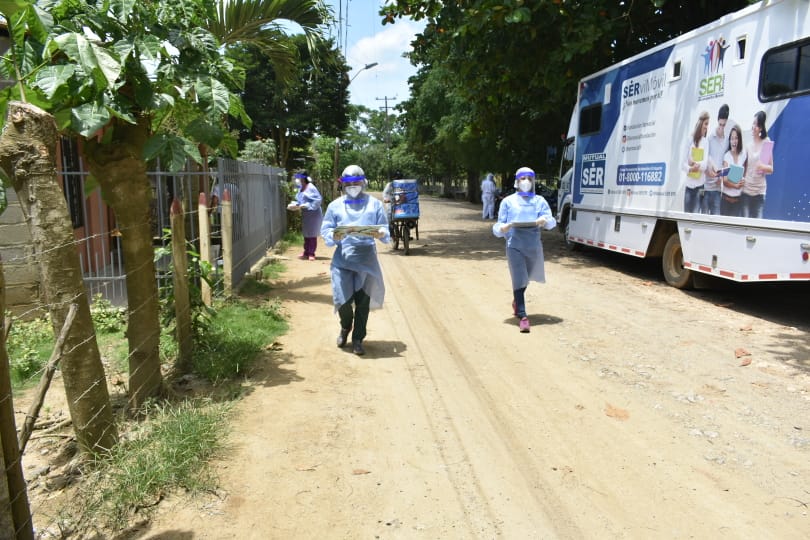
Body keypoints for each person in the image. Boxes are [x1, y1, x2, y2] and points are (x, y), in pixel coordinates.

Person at [321, 165, 390, 355]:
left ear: (363, 182)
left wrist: (382, 232)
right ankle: (345, 326)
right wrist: (334, 236)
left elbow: (384, 228)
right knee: (342, 300)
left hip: (366, 260)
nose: (353, 186)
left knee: (362, 303)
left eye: (357, 183)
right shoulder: (335, 206)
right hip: (343, 260)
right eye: (349, 183)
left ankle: (358, 338)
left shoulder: (374, 204)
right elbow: (326, 229)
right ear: (343, 184)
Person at [492, 166, 557, 333]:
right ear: (517, 181)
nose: (526, 182)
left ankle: (516, 299)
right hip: (515, 244)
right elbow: (498, 225)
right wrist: (503, 228)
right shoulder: (508, 202)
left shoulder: (539, 201)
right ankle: (523, 316)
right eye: (523, 178)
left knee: (526, 277)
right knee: (519, 276)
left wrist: (544, 221)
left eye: (529, 178)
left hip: (533, 245)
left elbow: (551, 222)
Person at [741, 111, 774, 219]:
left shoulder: (766, 142)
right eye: (753, 123)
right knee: (745, 225)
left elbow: (771, 169)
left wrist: (762, 167)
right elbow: (744, 168)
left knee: (757, 225)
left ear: (761, 128)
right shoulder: (748, 145)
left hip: (759, 192)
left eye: (756, 124)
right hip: (746, 191)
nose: (753, 127)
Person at [704, 105, 730, 215]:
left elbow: (726, 162)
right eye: (720, 124)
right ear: (717, 121)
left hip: (718, 188)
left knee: (716, 217)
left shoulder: (727, 141)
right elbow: (705, 158)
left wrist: (723, 177)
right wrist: (710, 170)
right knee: (702, 220)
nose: (721, 127)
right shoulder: (709, 138)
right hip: (706, 187)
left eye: (724, 125)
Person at [292, 171, 323, 260]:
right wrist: (296, 205)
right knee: (306, 233)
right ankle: (306, 252)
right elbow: (299, 199)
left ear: (304, 177)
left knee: (312, 234)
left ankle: (311, 253)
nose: (298, 179)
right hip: (306, 214)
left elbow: (318, 199)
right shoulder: (300, 188)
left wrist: (309, 205)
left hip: (313, 213)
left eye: (299, 177)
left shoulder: (311, 187)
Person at [682, 111, 709, 213]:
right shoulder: (689, 140)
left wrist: (694, 163)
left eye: (707, 124)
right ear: (700, 123)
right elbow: (683, 164)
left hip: (700, 188)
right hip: (689, 186)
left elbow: (705, 165)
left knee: (696, 215)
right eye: (705, 124)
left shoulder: (706, 142)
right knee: (686, 215)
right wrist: (690, 168)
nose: (706, 127)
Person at [720, 125, 747, 217]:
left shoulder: (743, 155)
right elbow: (724, 180)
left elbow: (744, 174)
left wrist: (743, 181)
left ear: (739, 140)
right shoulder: (726, 156)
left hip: (738, 202)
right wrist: (735, 185)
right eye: (732, 138)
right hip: (726, 201)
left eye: (736, 138)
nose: (734, 141)